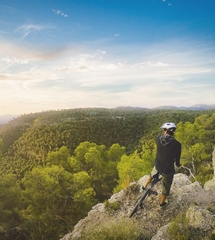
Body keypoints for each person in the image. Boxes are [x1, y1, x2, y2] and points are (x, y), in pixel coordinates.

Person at [143, 122, 181, 208]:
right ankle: (161, 204)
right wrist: (178, 164)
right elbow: (177, 158)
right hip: (168, 169)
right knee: (166, 187)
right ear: (173, 131)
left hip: (158, 165)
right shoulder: (177, 145)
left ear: (165, 130)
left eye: (163, 129)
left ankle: (143, 187)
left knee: (152, 174)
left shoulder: (157, 139)